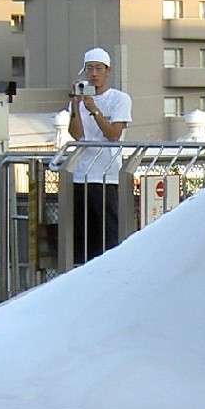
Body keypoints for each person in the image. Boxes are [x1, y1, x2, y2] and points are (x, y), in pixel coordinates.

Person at [67, 47, 132, 263]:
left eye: (98, 68)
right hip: (81, 175)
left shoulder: (119, 99)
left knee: (108, 238)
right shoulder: (80, 99)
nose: (93, 74)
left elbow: (114, 134)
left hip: (108, 177)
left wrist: (94, 109)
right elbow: (77, 135)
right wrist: (76, 106)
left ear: (107, 70)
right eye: (89, 69)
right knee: (84, 240)